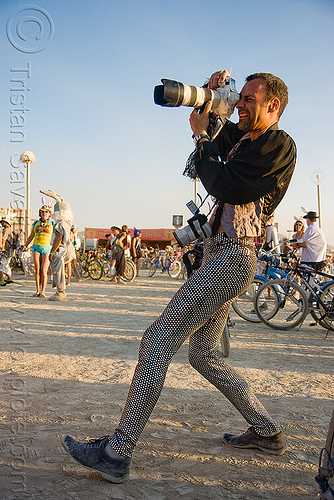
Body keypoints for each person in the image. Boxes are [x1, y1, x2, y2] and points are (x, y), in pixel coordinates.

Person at [62, 70, 297, 482]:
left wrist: (202, 138)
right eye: (238, 97)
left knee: (156, 341)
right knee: (203, 356)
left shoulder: (279, 144)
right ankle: (266, 430)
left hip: (232, 259)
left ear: (272, 105)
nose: (239, 105)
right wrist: (208, 102)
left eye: (247, 100)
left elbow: (221, 179)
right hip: (220, 257)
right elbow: (212, 151)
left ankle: (118, 451)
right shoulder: (244, 139)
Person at [40, 189, 73, 301]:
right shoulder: (67, 224)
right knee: (60, 271)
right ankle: (60, 291)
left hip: (60, 250)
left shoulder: (60, 224)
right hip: (65, 249)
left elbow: (58, 239)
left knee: (58, 271)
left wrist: (52, 252)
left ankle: (60, 292)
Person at [21, 202, 54, 297]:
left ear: (49, 214)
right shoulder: (36, 223)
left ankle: (43, 291)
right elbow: (31, 235)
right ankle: (38, 291)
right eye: (42, 212)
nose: (44, 214)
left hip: (47, 248)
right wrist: (25, 245)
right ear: (40, 213)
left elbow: (57, 235)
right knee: (37, 270)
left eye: (46, 212)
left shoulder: (52, 223)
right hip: (36, 247)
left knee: (44, 270)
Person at [0, 218, 15, 286]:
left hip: (6, 250)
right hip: (11, 250)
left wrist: (2, 248)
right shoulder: (12, 230)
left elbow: (3, 239)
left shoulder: (6, 230)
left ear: (6, 223)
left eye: (3, 222)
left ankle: (1, 280)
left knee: (2, 265)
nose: (1, 223)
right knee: (7, 264)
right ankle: (9, 278)